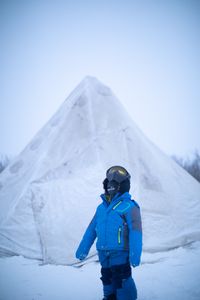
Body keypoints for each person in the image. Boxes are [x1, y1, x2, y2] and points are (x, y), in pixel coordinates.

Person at [75, 166, 142, 300]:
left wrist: (135, 255)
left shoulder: (130, 206)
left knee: (121, 278)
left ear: (122, 186)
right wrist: (83, 248)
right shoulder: (101, 208)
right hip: (103, 252)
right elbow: (91, 229)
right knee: (106, 277)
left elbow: (136, 233)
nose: (110, 186)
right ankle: (109, 297)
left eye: (114, 184)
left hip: (120, 252)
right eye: (109, 184)